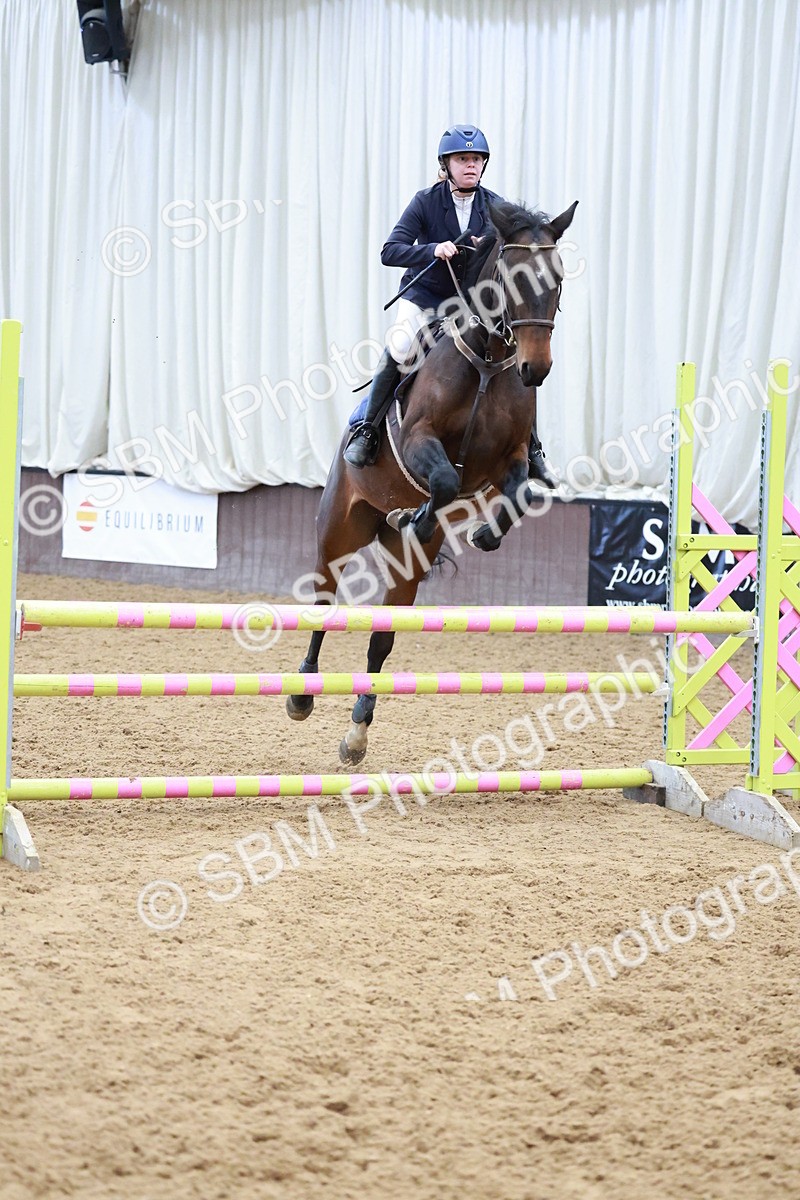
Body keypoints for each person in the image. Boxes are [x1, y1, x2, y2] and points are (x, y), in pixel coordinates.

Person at [343, 124, 556, 488]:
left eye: (476, 159)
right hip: (424, 299)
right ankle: (367, 430)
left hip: (470, 304)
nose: (470, 165)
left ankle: (532, 448)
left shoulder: (496, 207)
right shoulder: (425, 201)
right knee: (401, 344)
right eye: (462, 159)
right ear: (447, 164)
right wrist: (432, 249)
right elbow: (389, 252)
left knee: (514, 356)